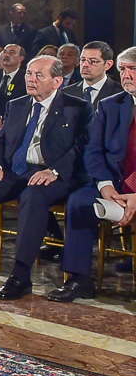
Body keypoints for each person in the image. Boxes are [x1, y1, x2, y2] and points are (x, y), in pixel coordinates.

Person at [0, 55, 90, 300]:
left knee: (32, 196)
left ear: (57, 81)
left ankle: (20, 276)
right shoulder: (17, 104)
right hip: (16, 170)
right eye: (29, 74)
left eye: (38, 75)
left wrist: (53, 171)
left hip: (55, 174)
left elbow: (81, 147)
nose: (31, 79)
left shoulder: (77, 108)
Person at [50, 47, 136, 301]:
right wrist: (106, 185)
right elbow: (93, 151)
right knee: (78, 201)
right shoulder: (111, 106)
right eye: (123, 70)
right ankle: (79, 280)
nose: (126, 75)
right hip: (114, 184)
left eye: (133, 69)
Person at [62, 41, 121, 107]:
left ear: (108, 65)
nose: (85, 65)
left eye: (93, 61)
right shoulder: (65, 93)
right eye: (83, 60)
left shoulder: (121, 94)